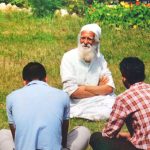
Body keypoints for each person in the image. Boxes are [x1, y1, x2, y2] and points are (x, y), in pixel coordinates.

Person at [0, 62, 90, 150]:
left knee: (3, 133)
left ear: (24, 82)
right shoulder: (63, 96)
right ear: (46, 79)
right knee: (83, 131)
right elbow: (63, 136)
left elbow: (16, 138)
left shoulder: (11, 98)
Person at [90, 57, 150, 150]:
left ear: (124, 78)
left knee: (97, 137)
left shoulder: (124, 98)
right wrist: (130, 136)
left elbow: (109, 133)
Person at [60, 23, 116, 120]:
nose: (85, 42)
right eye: (83, 38)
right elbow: (72, 92)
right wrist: (98, 88)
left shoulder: (100, 58)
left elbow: (109, 88)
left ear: (97, 42)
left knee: (115, 105)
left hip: (99, 100)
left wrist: (83, 88)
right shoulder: (68, 57)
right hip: (75, 102)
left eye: (89, 39)